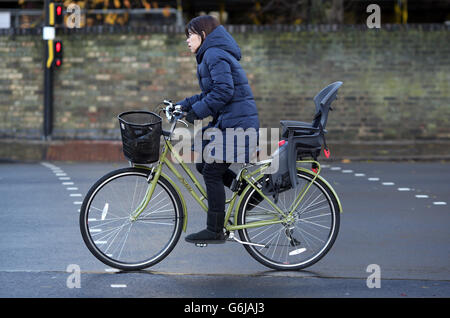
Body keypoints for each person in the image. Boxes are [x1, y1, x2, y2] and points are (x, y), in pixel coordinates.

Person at [176, 15, 260, 244]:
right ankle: (251, 193)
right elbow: (209, 92)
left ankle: (214, 230)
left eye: (190, 35)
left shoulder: (213, 54)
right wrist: (183, 105)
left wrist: (197, 113)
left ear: (203, 35)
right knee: (203, 163)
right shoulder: (211, 54)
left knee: (211, 170)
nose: (187, 40)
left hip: (238, 124)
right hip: (232, 122)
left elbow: (223, 91)